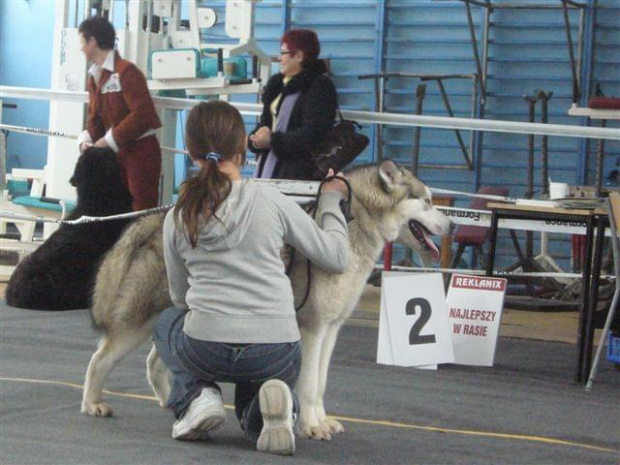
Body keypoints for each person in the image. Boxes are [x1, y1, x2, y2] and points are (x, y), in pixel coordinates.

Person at [152, 101, 349, 456]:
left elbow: (179, 296)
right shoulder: (271, 200)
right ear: (243, 144)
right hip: (275, 348)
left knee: (167, 321)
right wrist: (332, 202)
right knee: (260, 379)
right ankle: (269, 414)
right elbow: (335, 258)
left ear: (190, 149)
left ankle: (198, 397)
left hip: (205, 345)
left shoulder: (178, 215)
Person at [77, 16, 162, 211]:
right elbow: (95, 118)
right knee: (116, 209)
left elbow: (143, 113)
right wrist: (86, 140)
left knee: (140, 210)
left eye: (82, 42)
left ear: (92, 41)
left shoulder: (127, 72)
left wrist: (109, 140)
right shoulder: (95, 77)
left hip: (141, 153)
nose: (80, 48)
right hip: (116, 155)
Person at [248, 29, 337, 180]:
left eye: (283, 53)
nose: (279, 58)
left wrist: (273, 141)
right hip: (269, 166)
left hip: (298, 171)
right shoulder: (277, 85)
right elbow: (266, 123)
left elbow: (313, 133)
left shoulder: (320, 87)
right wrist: (255, 139)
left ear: (299, 56)